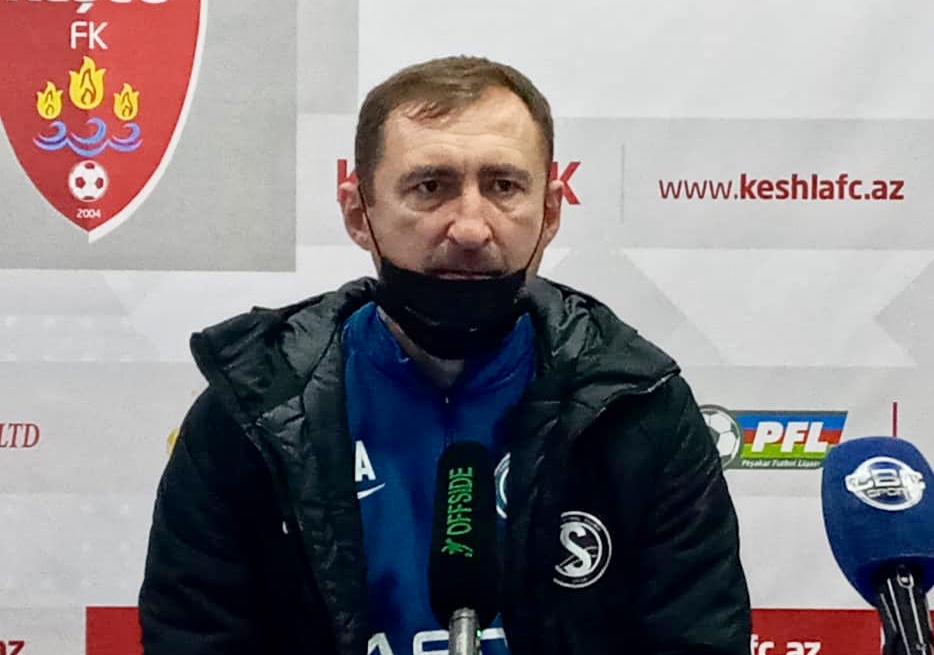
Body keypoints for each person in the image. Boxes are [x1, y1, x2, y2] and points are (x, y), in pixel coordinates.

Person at [138, 55, 751, 655]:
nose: (470, 228)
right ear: (358, 213)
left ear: (550, 212)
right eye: (430, 187)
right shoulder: (252, 411)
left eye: (503, 186)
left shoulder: (638, 408)